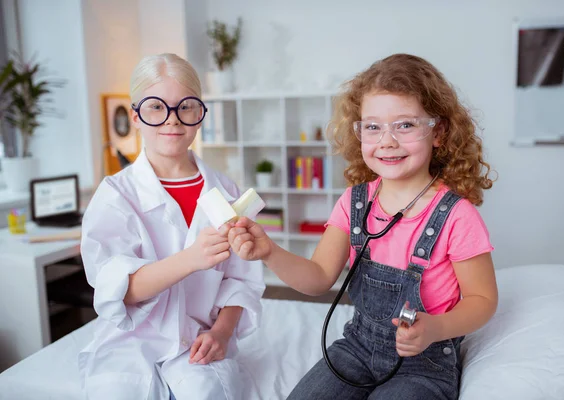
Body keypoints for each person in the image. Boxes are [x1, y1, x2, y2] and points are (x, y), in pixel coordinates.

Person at [227, 53, 498, 399]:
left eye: (405, 125)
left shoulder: (457, 216)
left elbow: (483, 299)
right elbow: (319, 278)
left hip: (423, 361)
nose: (387, 140)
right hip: (356, 347)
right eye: (372, 126)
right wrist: (269, 252)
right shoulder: (355, 202)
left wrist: (436, 328)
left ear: (438, 132)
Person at [79, 53, 265, 400]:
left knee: (205, 393)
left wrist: (222, 334)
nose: (172, 120)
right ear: (135, 115)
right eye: (155, 107)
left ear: (200, 114)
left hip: (199, 338)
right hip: (131, 340)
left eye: (186, 107)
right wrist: (192, 259)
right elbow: (121, 290)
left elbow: (241, 281)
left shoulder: (227, 192)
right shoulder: (115, 196)